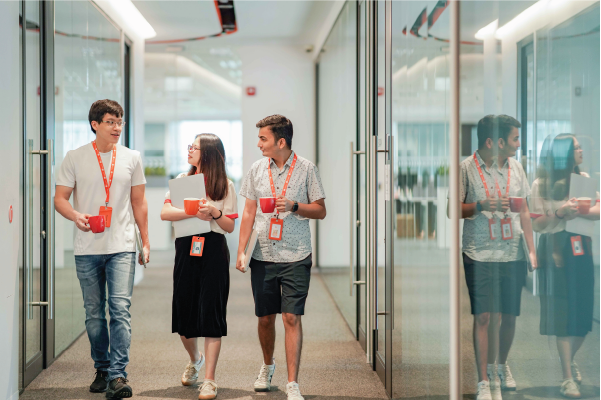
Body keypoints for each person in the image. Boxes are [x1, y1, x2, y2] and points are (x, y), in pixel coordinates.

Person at [54, 99, 149, 398]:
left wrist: (145, 241)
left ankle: (118, 375)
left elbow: (139, 203)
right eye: (110, 121)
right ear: (95, 124)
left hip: (122, 245)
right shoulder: (75, 157)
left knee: (120, 309)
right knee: (94, 314)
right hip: (87, 246)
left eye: (119, 121)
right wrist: (75, 215)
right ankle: (102, 367)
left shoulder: (132, 157)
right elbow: (60, 198)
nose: (117, 127)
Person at [235, 115, 326, 400]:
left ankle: (293, 383)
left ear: (281, 141)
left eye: (263, 138)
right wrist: (241, 250)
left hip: (297, 255)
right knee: (264, 318)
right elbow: (249, 211)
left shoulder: (307, 169)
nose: (259, 143)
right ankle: (267, 365)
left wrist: (295, 205)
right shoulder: (256, 170)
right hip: (263, 254)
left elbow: (321, 210)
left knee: (291, 317)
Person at [458, 115, 537, 400]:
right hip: (478, 253)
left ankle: (500, 365)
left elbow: (524, 210)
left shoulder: (516, 168)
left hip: (511, 252)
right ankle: (482, 379)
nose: (518, 144)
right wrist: (480, 205)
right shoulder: (465, 168)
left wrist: (531, 249)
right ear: (495, 141)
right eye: (515, 139)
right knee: (484, 316)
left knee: (509, 316)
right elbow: (454, 209)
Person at [160, 133, 237, 400]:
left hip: (214, 249)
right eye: (190, 146)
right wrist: (192, 212)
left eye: (195, 147)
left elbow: (229, 226)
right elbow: (164, 213)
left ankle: (209, 380)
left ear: (209, 153)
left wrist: (214, 212)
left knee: (212, 313)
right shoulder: (182, 181)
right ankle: (195, 359)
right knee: (184, 312)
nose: (190, 150)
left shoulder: (225, 185)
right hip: (186, 248)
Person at [531, 134, 599, 399]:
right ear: (564, 153)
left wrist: (579, 210)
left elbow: (598, 209)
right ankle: (566, 377)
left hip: (581, 245)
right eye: (576, 147)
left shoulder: (583, 181)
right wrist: (560, 212)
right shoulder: (542, 184)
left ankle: (569, 361)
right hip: (555, 247)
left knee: (582, 314)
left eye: (581, 146)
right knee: (563, 314)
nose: (581, 150)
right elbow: (537, 224)